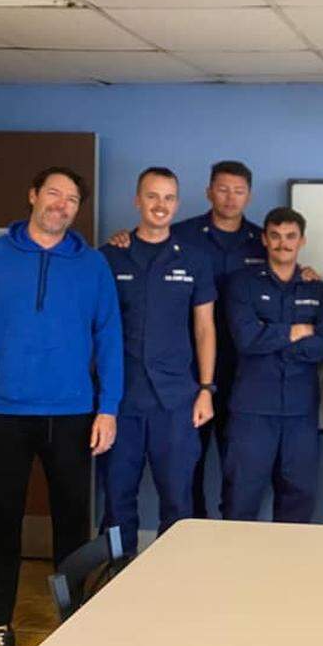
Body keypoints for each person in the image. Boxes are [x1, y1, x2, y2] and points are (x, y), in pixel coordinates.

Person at [0, 167, 122, 646]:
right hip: (4, 413)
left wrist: (107, 407)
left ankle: (75, 622)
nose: (61, 205)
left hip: (73, 415)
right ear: (32, 196)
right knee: (1, 524)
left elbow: (109, 339)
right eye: (53, 194)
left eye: (71, 199)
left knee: (73, 527)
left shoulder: (92, 266)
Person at [108, 160, 264, 518]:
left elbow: (285, 268)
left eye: (238, 190)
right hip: (180, 376)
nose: (230, 197)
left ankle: (213, 558)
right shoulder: (175, 240)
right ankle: (129, 567)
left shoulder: (262, 242)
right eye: (222, 188)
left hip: (242, 374)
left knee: (237, 472)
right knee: (178, 481)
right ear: (208, 191)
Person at [99, 167, 216, 556]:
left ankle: (175, 585)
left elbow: (204, 328)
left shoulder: (195, 259)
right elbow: (93, 327)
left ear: (177, 204)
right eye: (152, 196)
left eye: (168, 198)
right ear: (137, 200)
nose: (160, 205)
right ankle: (115, 583)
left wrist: (205, 389)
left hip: (176, 401)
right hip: (121, 400)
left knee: (178, 503)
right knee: (117, 502)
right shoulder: (110, 256)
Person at [223, 207, 323, 522]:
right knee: (240, 499)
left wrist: (272, 340)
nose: (282, 244)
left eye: (290, 237)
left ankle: (289, 570)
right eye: (275, 235)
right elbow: (246, 339)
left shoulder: (319, 290)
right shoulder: (242, 284)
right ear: (264, 239)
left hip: (300, 413)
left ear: (302, 241)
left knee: (298, 500)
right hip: (252, 411)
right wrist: (297, 332)